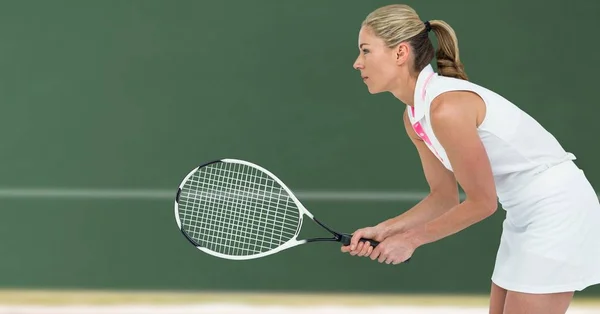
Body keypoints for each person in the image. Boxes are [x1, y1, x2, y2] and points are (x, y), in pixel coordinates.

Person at [340, 3, 600, 314]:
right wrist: (386, 229)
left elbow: (482, 202)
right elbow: (444, 198)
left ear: (400, 53)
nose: (357, 63)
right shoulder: (414, 117)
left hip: (559, 209)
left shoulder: (445, 108)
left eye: (366, 50)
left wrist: (410, 240)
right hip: (523, 214)